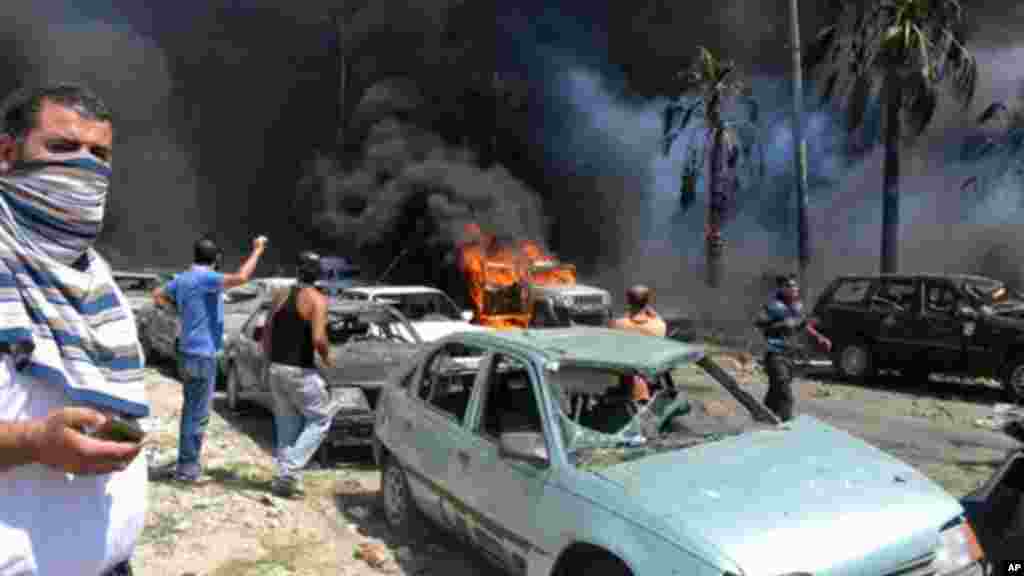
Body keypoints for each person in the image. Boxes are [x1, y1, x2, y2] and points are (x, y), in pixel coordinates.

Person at [0, 83, 146, 575]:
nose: (85, 167)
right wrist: (34, 441)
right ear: (7, 154)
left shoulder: (97, 279)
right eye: (62, 148)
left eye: (99, 154)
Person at [152, 235, 266, 482]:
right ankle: (188, 469)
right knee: (199, 413)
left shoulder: (182, 278)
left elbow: (157, 294)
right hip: (202, 355)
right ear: (216, 259)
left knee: (190, 409)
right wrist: (257, 250)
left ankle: (186, 462)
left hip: (185, 352)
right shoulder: (207, 278)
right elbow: (242, 278)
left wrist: (176, 310)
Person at [261, 251, 338, 498]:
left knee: (287, 427)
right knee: (321, 418)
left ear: (297, 270)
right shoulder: (318, 300)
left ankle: (286, 479)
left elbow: (267, 333)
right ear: (319, 274)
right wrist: (327, 358)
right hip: (299, 371)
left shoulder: (281, 295)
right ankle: (290, 471)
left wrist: (266, 364)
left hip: (276, 368)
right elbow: (318, 338)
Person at [755, 274, 832, 422]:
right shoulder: (772, 306)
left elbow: (802, 325)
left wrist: (819, 337)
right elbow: (760, 323)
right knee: (785, 391)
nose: (794, 288)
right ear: (782, 288)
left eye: (795, 285)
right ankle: (788, 423)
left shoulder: (797, 306)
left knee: (775, 390)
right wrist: (782, 324)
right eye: (790, 286)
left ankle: (763, 414)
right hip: (775, 354)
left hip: (791, 354)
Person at [609, 284, 667, 403]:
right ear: (648, 301)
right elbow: (659, 320)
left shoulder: (618, 324)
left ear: (628, 301)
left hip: (625, 376)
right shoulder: (659, 325)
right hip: (650, 374)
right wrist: (650, 311)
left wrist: (628, 314)